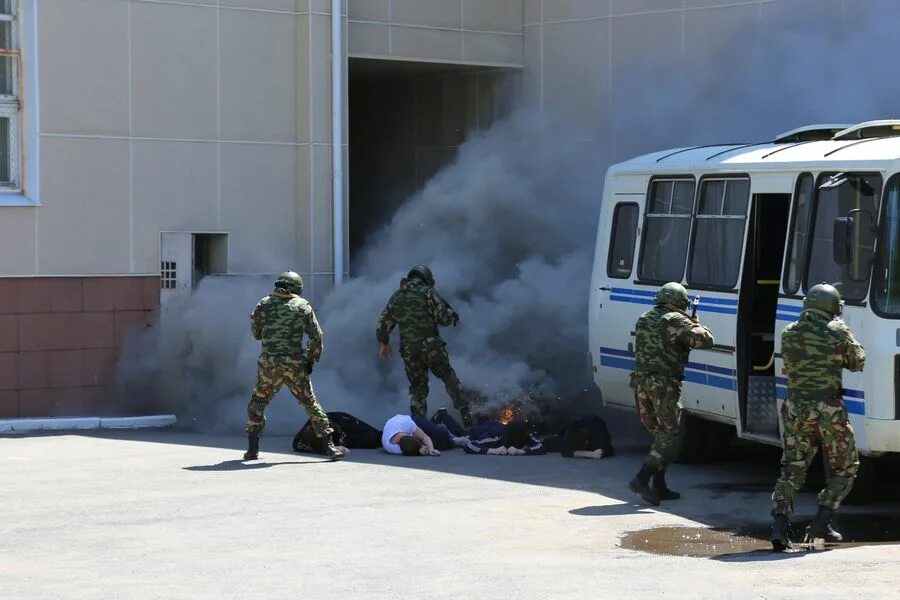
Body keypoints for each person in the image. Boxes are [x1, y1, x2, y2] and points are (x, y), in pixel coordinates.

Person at [770, 283, 865, 552]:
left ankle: (778, 527)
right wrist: (844, 332)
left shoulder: (789, 332)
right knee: (846, 466)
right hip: (828, 409)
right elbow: (858, 361)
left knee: (792, 468)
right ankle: (821, 523)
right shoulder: (837, 331)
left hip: (796, 407)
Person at [244, 271, 345, 461]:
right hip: (294, 364)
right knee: (310, 403)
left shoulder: (263, 304)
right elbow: (316, 336)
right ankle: (329, 446)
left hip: (269, 365)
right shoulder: (302, 306)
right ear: (296, 288)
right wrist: (310, 360)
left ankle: (252, 449)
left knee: (257, 403)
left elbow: (256, 334)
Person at [629, 282, 714, 505]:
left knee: (660, 432)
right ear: (680, 302)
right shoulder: (676, 319)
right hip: (664, 383)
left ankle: (659, 486)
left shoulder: (645, 317)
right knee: (670, 434)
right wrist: (695, 323)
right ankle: (641, 478)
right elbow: (706, 340)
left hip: (642, 381)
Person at [376, 265, 474, 426]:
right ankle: (465, 413)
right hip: (431, 347)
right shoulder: (429, 292)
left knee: (417, 391)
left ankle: (420, 426)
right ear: (426, 278)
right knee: (449, 378)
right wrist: (451, 315)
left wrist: (384, 344)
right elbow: (443, 319)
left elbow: (382, 325)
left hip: (409, 351)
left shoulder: (397, 296)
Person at [293, 411, 383, 455]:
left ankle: (394, 434)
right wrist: (334, 448)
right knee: (369, 441)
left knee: (376, 438)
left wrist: (340, 446)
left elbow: (342, 435)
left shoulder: (331, 426)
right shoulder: (299, 443)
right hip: (337, 433)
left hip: (343, 422)